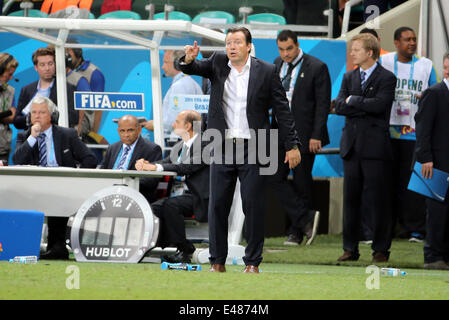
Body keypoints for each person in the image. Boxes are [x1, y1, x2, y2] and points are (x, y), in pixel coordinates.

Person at [180, 27, 301, 273]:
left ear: (248, 46)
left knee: (253, 205)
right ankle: (217, 261)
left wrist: (292, 146)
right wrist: (188, 59)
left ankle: (253, 262)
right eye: (228, 43)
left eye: (236, 42)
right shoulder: (216, 63)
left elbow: (282, 111)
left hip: (254, 146)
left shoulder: (266, 71)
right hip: (221, 144)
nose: (231, 47)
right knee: (218, 205)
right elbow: (190, 68)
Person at [334, 33, 396, 263]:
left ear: (369, 53)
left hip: (375, 149)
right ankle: (350, 249)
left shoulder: (387, 78)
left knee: (378, 200)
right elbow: (339, 106)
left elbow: (380, 105)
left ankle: (381, 249)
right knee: (351, 200)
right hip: (351, 148)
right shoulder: (349, 77)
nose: (352, 53)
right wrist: (357, 104)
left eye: (356, 49)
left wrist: (353, 101)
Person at [13, 96, 97, 259]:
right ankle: (28, 246)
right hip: (33, 186)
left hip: (63, 185)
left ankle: (57, 247)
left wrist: (76, 176)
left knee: (57, 196)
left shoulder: (67, 134)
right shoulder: (24, 137)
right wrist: (33, 137)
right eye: (33, 112)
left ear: (51, 115)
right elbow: (17, 160)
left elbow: (90, 159)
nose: (37, 116)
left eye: (42, 112)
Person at [271, 30, 329, 246]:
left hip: (304, 135)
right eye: (281, 49)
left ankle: (296, 232)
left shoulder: (317, 66)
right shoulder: (276, 64)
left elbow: (322, 105)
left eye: (289, 49)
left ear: (297, 45)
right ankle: (305, 219)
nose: (285, 54)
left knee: (302, 182)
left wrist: (316, 135)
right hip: (278, 133)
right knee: (273, 177)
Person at [380, 26, 438, 242]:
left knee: (413, 184)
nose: (412, 43)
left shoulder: (426, 66)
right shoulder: (384, 62)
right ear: (396, 42)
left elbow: (436, 93)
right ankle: (392, 228)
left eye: (414, 39)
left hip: (414, 134)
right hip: (387, 133)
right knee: (389, 183)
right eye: (407, 40)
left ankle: (415, 229)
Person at [136, 110, 209, 264]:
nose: (173, 124)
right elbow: (168, 161)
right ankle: (160, 247)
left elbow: (186, 167)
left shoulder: (205, 144)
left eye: (177, 121)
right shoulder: (181, 145)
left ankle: (184, 249)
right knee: (153, 209)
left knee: (170, 205)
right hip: (182, 196)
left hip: (199, 197)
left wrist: (155, 168)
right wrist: (149, 165)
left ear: (188, 125)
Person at [414, 52, 449, 270]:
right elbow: (423, 129)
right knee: (437, 212)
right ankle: (432, 256)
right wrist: (425, 158)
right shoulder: (434, 93)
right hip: (434, 165)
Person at [141, 50, 203, 146]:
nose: (163, 66)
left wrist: (155, 124)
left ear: (177, 64)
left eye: (166, 62)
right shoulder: (189, 83)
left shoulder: (180, 86)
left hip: (177, 140)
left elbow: (174, 120)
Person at [100, 115, 162, 203]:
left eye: (130, 130)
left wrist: (124, 185)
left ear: (139, 129)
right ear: (118, 131)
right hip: (109, 195)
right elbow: (102, 172)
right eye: (122, 131)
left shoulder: (152, 149)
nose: (126, 135)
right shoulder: (112, 148)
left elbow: (151, 180)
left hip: (136, 198)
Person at [13, 47, 78, 130]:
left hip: (57, 138)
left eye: (50, 64)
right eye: (42, 65)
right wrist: (31, 118)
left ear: (55, 65)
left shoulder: (67, 88)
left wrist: (48, 117)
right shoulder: (27, 90)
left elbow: (74, 118)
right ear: (36, 67)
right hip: (32, 139)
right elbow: (17, 121)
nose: (47, 68)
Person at [66, 46, 105, 138]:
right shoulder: (61, 73)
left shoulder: (94, 74)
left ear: (78, 55)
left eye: (69, 55)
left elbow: (99, 107)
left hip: (83, 128)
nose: (67, 59)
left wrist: (94, 134)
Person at [0, 53, 19, 164]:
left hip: (3, 148)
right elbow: (9, 113)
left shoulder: (10, 90)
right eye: (9, 74)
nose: (11, 78)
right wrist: (6, 113)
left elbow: (13, 116)